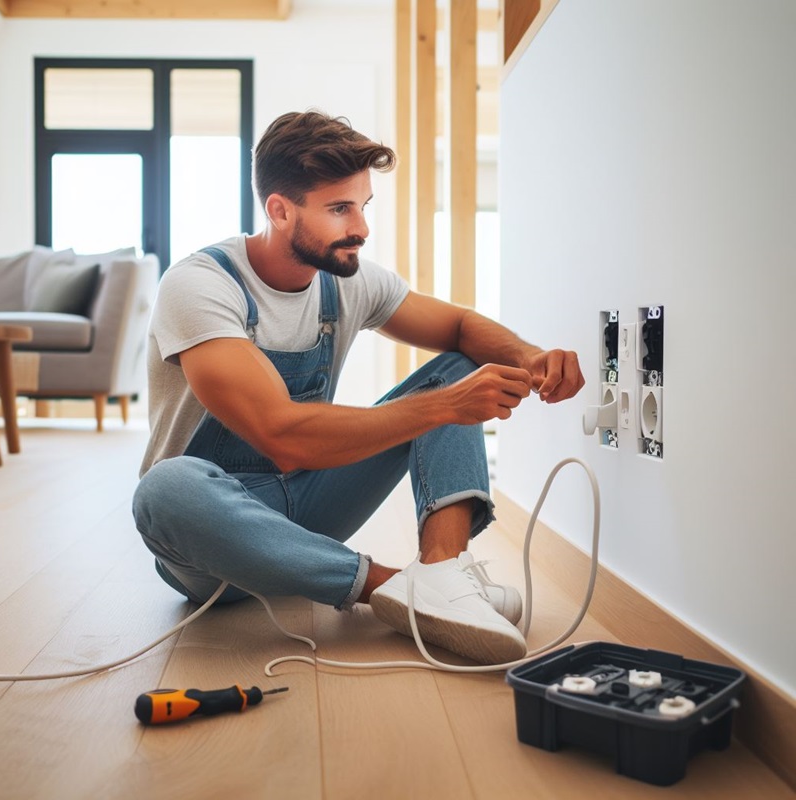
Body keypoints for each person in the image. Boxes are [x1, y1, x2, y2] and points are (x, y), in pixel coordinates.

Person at [133, 110, 584, 666]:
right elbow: (283, 436)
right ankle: (394, 587)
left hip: (305, 505)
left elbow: (461, 328)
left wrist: (529, 355)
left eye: (363, 206)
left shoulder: (347, 280)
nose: (362, 228)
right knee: (164, 488)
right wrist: (444, 408)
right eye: (340, 209)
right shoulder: (199, 287)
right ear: (279, 210)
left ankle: (442, 574)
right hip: (209, 544)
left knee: (460, 364)